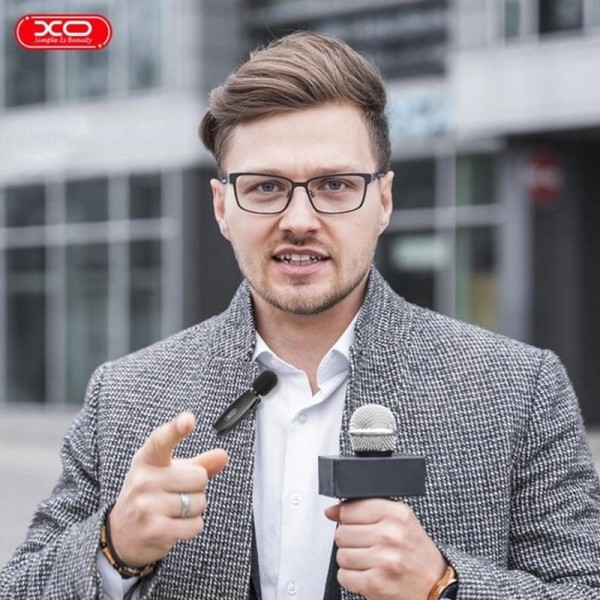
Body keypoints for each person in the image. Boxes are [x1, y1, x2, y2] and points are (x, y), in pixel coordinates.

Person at [1, 30, 600, 600]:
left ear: (383, 201)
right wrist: (113, 548)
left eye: (335, 185)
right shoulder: (125, 396)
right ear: (222, 207)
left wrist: (442, 585)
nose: (299, 220)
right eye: (265, 187)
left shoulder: (519, 390)